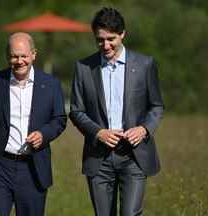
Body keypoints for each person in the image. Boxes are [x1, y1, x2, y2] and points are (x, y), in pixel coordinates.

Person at [69, 7, 164, 216]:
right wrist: (97, 132)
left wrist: (144, 129)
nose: (105, 45)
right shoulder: (83, 67)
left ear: (123, 34)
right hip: (98, 157)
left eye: (111, 39)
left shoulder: (145, 65)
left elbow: (156, 106)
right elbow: (76, 111)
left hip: (134, 155)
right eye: (100, 40)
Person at [0, 32, 67, 216]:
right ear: (8, 57)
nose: (19, 61)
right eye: (14, 56)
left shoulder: (51, 84)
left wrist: (43, 134)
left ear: (33, 54)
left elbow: (59, 119)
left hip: (33, 168)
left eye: (24, 56)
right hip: (0, 165)